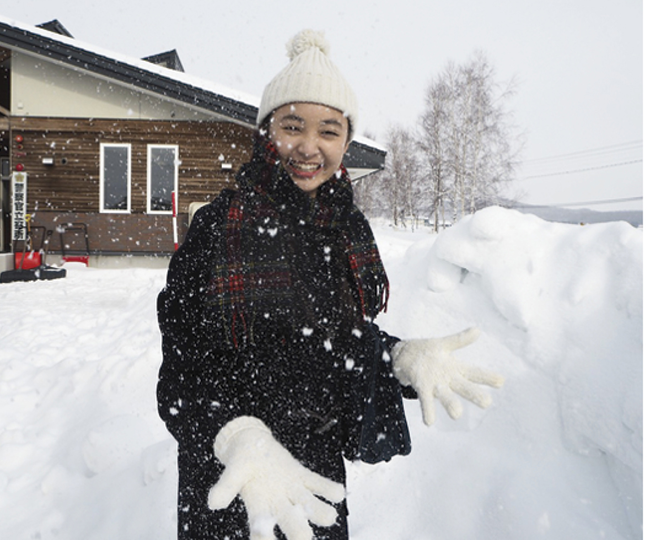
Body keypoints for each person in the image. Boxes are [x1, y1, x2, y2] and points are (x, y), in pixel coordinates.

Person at [157, 29, 504, 540]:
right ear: (266, 130)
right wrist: (238, 436)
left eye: (329, 131)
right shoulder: (218, 226)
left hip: (316, 472)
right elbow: (181, 372)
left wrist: (398, 357)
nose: (309, 147)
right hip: (231, 476)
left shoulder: (347, 230)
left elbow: (336, 342)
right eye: (293, 126)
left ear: (346, 140)